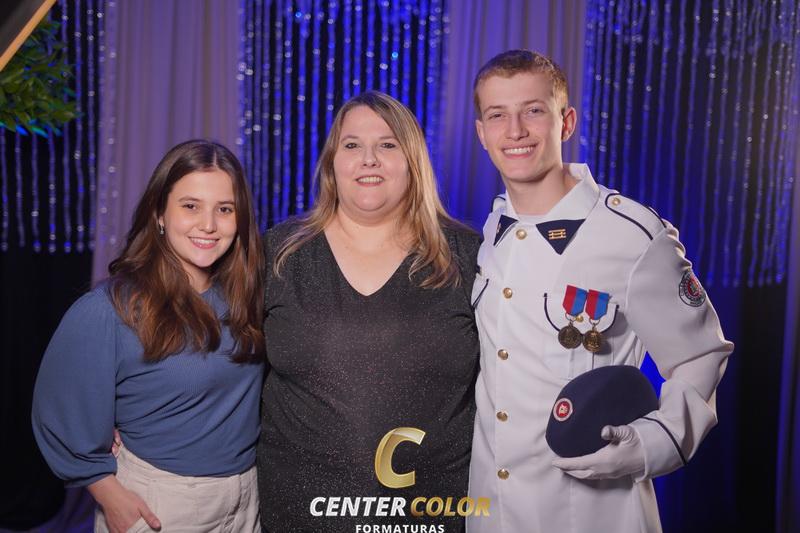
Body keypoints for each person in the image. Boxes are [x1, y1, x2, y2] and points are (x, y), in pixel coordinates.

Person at [466, 50, 734, 533]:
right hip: (492, 512)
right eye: (498, 115)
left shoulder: (631, 233)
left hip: (595, 514)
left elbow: (701, 353)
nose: (515, 131)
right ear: (482, 133)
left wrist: (652, 442)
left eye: (533, 111)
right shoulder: (489, 233)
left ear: (566, 122)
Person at [257, 90, 480, 532]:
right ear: (332, 162)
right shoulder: (278, 254)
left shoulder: (469, 257)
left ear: (412, 161)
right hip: (301, 514)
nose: (369, 159)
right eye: (352, 144)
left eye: (387, 144)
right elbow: (216, 355)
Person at [32, 139, 265, 533]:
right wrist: (105, 488)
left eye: (224, 209)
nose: (208, 224)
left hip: (247, 500)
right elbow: (57, 409)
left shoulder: (248, 297)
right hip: (162, 505)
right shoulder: (110, 308)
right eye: (190, 206)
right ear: (159, 213)